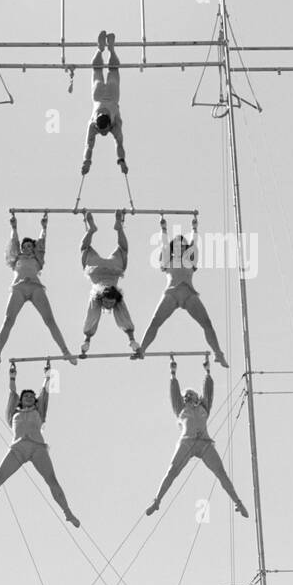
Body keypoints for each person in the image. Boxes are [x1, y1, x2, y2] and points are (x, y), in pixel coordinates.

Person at [0, 363, 80, 528]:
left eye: (32, 397)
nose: (29, 398)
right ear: (21, 400)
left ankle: (67, 512)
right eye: (26, 396)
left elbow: (44, 392)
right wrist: (12, 376)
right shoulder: (13, 413)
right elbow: (12, 392)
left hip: (37, 448)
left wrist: (47, 374)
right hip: (18, 448)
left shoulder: (39, 411)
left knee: (52, 480)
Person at [145, 356, 247, 518]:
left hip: (205, 444)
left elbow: (208, 391)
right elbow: (174, 394)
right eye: (185, 396)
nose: (187, 397)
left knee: (221, 473)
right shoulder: (181, 409)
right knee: (172, 470)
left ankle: (238, 502)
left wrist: (207, 371)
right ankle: (157, 501)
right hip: (187, 442)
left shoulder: (203, 408)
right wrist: (173, 373)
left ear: (196, 397)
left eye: (190, 395)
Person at [0, 213, 77, 371]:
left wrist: (44, 227)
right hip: (19, 287)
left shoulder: (37, 258)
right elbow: (14, 241)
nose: (28, 248)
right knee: (8, 320)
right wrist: (14, 227)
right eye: (25, 246)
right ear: (22, 249)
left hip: (35, 288)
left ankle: (65, 351)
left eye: (30, 246)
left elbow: (42, 243)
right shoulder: (17, 257)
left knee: (49, 320)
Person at [136, 215, 227, 366]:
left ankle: (218, 353)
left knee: (207, 323)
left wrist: (194, 227)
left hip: (189, 293)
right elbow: (165, 243)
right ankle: (142, 349)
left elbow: (193, 241)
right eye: (177, 245)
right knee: (155, 321)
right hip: (172, 293)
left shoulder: (190, 258)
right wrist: (163, 228)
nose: (180, 247)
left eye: (182, 245)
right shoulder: (167, 259)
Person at [78, 209, 140, 357]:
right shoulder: (108, 299)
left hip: (102, 270)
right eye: (109, 304)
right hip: (106, 270)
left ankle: (93, 230)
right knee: (122, 250)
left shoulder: (100, 298)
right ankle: (117, 229)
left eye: (107, 304)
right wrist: (132, 341)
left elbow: (92, 317)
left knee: (86, 250)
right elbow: (123, 318)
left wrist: (86, 342)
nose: (108, 306)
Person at [80, 31, 127, 175]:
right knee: (108, 70)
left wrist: (87, 162)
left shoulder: (94, 126)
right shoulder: (113, 126)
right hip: (106, 97)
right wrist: (121, 161)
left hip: (102, 96)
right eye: (104, 131)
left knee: (99, 70)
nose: (104, 133)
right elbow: (118, 144)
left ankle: (101, 49)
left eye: (103, 130)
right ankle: (108, 50)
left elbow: (89, 146)